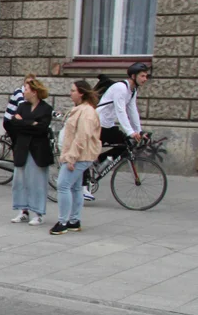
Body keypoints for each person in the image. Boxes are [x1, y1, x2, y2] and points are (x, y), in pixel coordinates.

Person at [86, 62, 149, 201]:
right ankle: (83, 187)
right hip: (96, 124)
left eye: (146, 76)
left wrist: (139, 130)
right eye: (143, 76)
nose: (145, 79)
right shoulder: (121, 88)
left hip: (107, 125)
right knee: (86, 154)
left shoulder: (132, 91)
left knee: (126, 145)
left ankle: (98, 161)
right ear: (133, 76)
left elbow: (132, 111)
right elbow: (121, 111)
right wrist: (130, 132)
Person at [51, 80, 102, 236]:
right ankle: (74, 221)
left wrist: (71, 158)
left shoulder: (86, 112)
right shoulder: (81, 109)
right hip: (80, 155)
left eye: (73, 90)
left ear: (81, 93)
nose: (70, 93)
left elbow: (82, 137)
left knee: (63, 185)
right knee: (75, 187)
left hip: (79, 156)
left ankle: (63, 222)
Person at [9, 77, 54, 226]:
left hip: (38, 150)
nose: (24, 92)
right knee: (20, 181)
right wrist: (30, 123)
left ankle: (39, 213)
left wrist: (24, 122)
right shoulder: (22, 106)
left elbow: (41, 128)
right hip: (22, 147)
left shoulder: (46, 108)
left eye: (26, 89)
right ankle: (23, 211)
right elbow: (14, 124)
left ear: (34, 92)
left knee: (37, 182)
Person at [2, 73, 37, 139]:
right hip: (9, 121)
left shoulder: (31, 94)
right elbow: (22, 105)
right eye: (27, 82)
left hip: (19, 121)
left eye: (31, 83)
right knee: (20, 141)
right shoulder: (19, 92)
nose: (29, 84)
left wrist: (53, 113)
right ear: (24, 83)